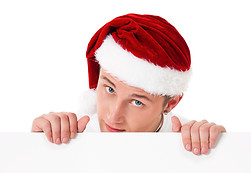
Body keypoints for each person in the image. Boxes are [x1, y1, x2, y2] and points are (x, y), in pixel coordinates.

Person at [31, 13, 226, 155]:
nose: (113, 117)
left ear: (171, 103)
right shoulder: (70, 135)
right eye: (110, 89)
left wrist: (223, 152)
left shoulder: (190, 141)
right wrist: (35, 149)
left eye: (137, 102)